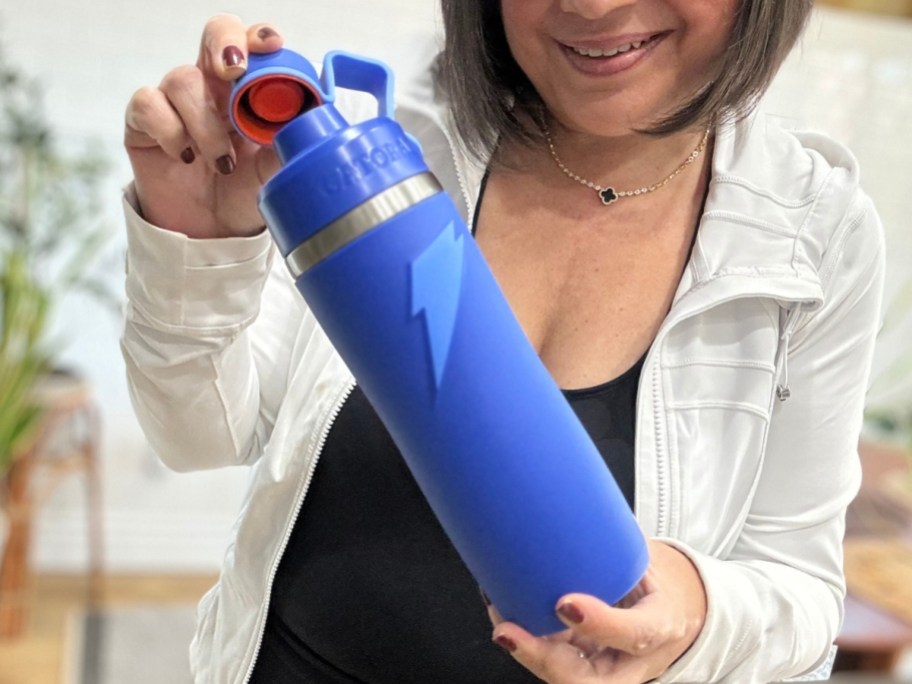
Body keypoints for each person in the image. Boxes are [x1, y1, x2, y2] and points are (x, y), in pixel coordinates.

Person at [121, 1, 884, 682]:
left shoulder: (814, 233)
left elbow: (803, 592)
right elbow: (200, 436)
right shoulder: (388, 145)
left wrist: (692, 608)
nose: (593, 5)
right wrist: (199, 243)